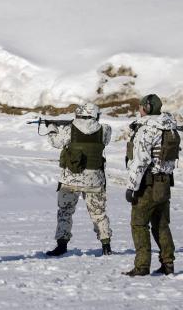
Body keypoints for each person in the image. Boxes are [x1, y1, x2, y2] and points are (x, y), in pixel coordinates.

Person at [44, 103, 114, 256]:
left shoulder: (69, 129)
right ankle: (106, 245)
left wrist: (51, 127)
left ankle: (61, 246)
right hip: (94, 181)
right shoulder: (105, 130)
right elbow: (105, 141)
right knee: (99, 213)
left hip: (71, 181)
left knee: (65, 212)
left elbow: (55, 142)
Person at [123, 94, 179, 276]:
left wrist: (132, 186)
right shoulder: (170, 128)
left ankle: (141, 266)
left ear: (146, 108)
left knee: (139, 224)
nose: (139, 110)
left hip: (147, 185)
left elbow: (141, 160)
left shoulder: (147, 129)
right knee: (161, 225)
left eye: (140, 106)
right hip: (164, 184)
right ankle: (168, 264)